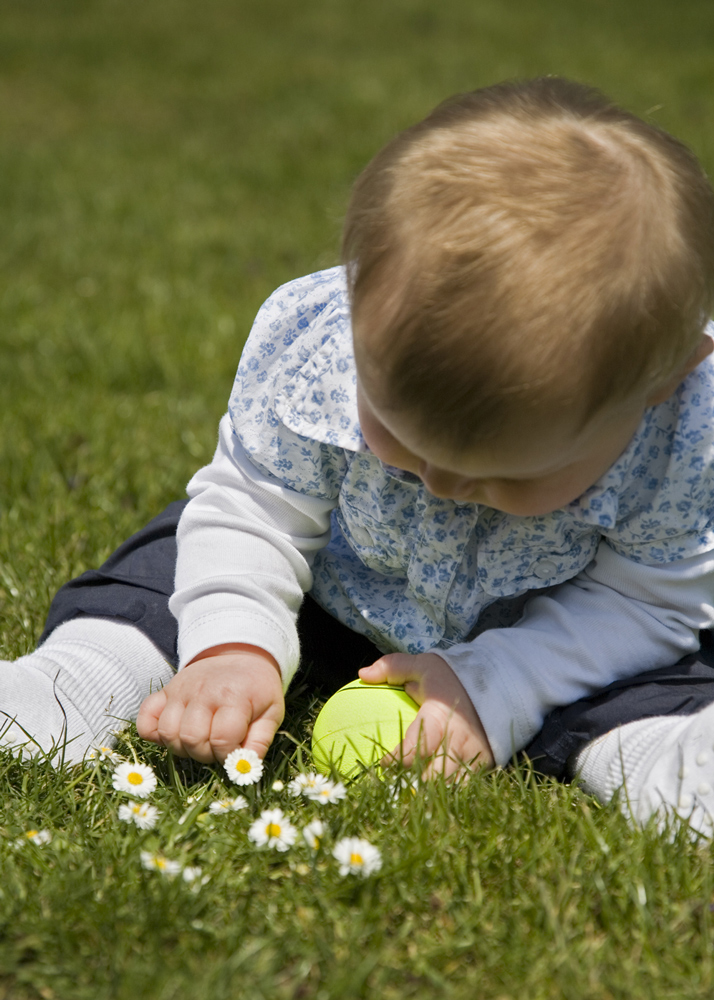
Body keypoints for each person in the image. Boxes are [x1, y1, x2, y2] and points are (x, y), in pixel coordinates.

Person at [4, 76, 714, 836]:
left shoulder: (684, 433)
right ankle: (78, 676)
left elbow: (648, 602)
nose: (439, 483)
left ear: (659, 385)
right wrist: (235, 642)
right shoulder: (322, 350)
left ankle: (667, 757)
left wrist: (497, 683)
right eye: (398, 438)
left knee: (644, 679)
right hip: (337, 582)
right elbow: (257, 509)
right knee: (174, 568)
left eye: (511, 474)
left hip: (562, 618)